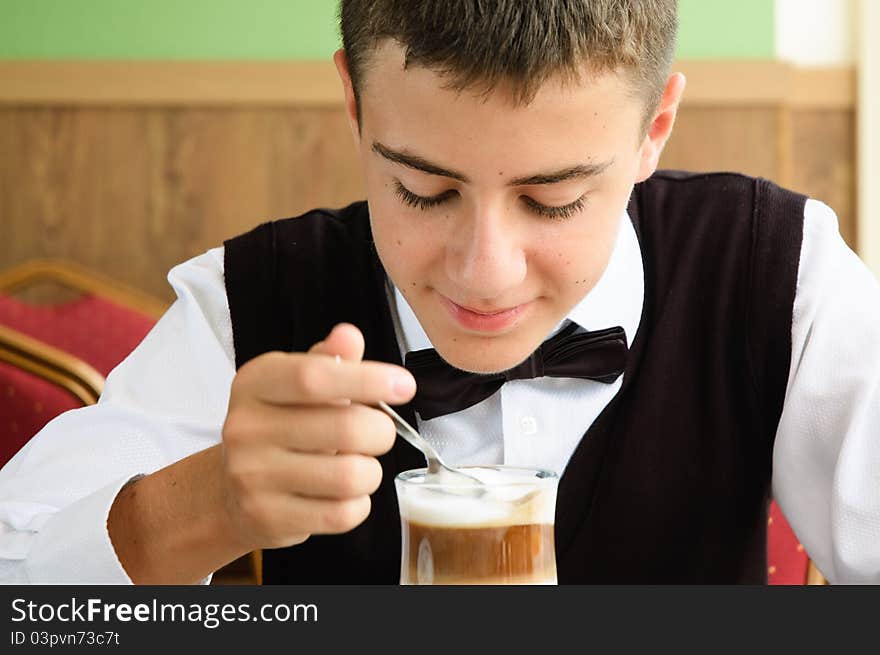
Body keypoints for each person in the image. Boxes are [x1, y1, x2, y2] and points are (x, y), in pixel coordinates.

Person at [1, 0, 878, 584]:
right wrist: (206, 505)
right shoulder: (248, 304)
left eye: (554, 198)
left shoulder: (780, 273)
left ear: (654, 130)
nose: (484, 271)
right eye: (424, 190)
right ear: (353, 103)